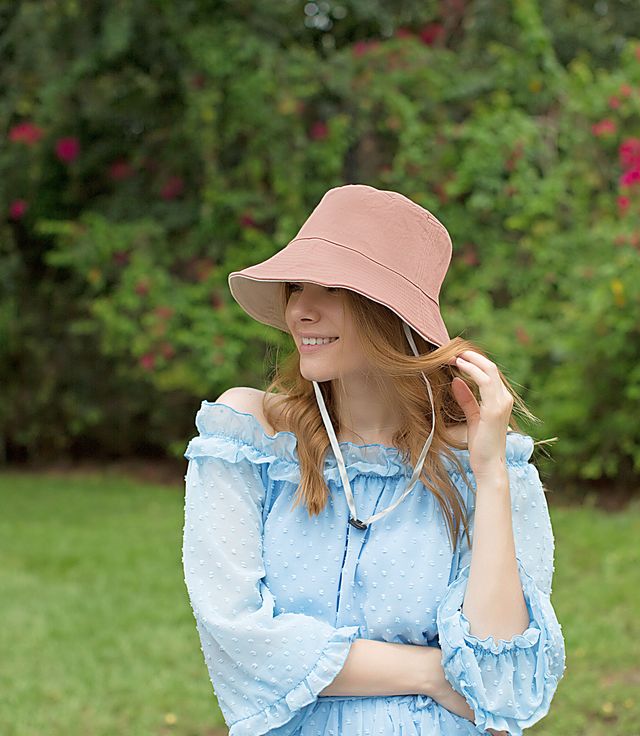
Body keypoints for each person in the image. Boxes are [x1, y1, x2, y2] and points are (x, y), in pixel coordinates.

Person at [181, 184, 566, 736]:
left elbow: (499, 687)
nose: (300, 310)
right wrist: (433, 673)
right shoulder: (249, 437)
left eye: (330, 288)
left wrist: (491, 477)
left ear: (391, 312)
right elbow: (238, 637)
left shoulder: (483, 463)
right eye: (295, 287)